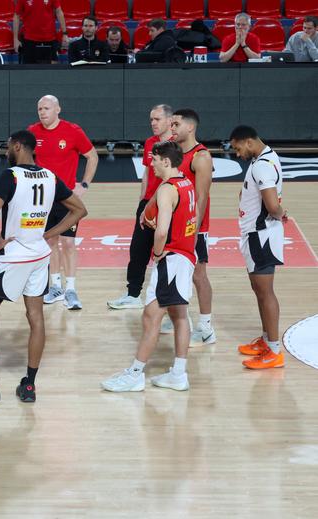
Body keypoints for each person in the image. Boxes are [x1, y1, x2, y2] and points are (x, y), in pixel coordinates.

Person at [0, 131, 87, 405]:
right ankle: (29, 385)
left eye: (8, 148)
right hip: (39, 257)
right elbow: (79, 210)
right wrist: (50, 233)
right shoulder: (50, 177)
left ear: (17, 146)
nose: (6, 152)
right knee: (35, 318)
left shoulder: (10, 176)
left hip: (13, 258)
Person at [101, 141, 196, 392]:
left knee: (151, 317)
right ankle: (178, 374)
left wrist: (156, 252)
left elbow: (162, 229)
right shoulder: (186, 182)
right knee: (179, 316)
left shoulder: (167, 190)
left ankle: (135, 374)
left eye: (154, 159)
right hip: (185, 257)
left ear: (166, 161)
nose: (150, 163)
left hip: (171, 259)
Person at [28, 95, 98, 310]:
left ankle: (71, 289)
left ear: (58, 109)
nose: (42, 112)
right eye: (39, 108)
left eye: (47, 108)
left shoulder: (72, 131)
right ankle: (55, 287)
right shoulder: (32, 131)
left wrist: (84, 185)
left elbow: (92, 156)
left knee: (68, 243)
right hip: (42, 199)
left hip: (67, 199)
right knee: (49, 242)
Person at [229, 126, 287, 370]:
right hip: (256, 234)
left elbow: (272, 205)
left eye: (238, 148)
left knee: (265, 292)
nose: (237, 153)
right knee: (258, 289)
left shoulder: (262, 165)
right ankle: (266, 341)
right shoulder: (265, 158)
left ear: (249, 142)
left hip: (261, 236)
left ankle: (274, 351)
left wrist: (281, 214)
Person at [108, 104, 173, 309]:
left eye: (157, 119)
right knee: (138, 250)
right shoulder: (150, 143)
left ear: (170, 121)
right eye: (151, 119)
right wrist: (142, 202)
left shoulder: (177, 145)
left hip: (169, 204)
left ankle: (167, 299)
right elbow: (146, 173)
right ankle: (133, 295)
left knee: (167, 252)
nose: (153, 123)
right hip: (148, 203)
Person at [169, 109, 215, 345]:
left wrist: (192, 232)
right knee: (175, 272)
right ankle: (177, 315)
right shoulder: (176, 153)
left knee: (198, 275)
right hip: (175, 226)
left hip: (194, 228)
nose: (172, 128)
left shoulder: (201, 156)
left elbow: (202, 197)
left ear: (190, 127)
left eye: (176, 124)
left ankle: (206, 327)